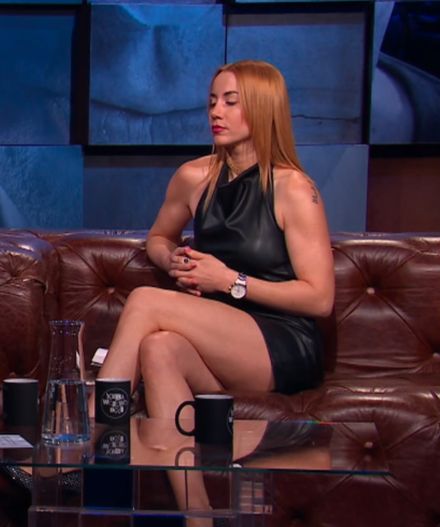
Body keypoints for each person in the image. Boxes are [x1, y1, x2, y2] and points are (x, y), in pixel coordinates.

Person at [97, 60, 334, 517]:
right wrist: (172, 259)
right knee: (159, 348)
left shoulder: (294, 189)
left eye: (230, 102)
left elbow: (320, 298)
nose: (215, 112)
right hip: (219, 336)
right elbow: (158, 238)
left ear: (262, 109)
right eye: (211, 102)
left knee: (145, 301)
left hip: (281, 340)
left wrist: (230, 281)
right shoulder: (193, 177)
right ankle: (198, 516)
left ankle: (94, 436)